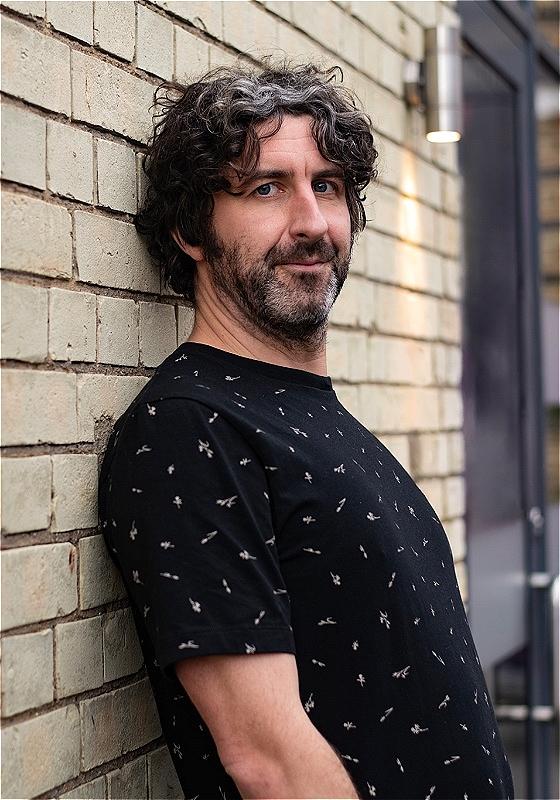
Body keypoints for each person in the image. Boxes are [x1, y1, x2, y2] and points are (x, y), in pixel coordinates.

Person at [98, 62, 515, 800]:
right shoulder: (189, 428)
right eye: (267, 187)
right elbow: (269, 761)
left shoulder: (312, 411)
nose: (313, 223)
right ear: (191, 230)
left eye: (327, 187)